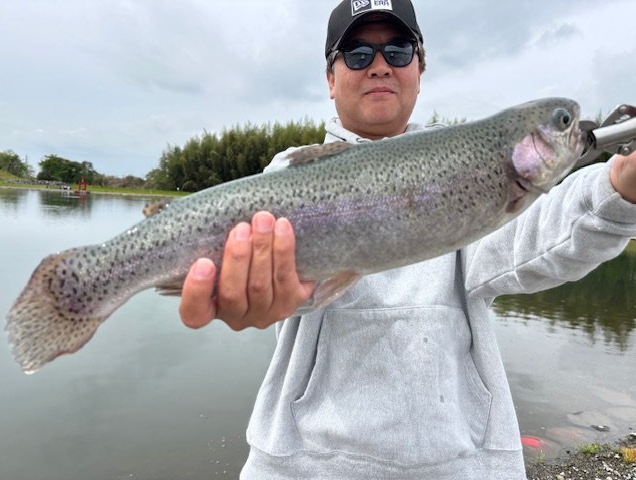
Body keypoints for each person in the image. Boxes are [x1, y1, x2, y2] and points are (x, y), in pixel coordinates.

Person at [179, 1, 636, 478]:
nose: (379, 65)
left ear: (420, 68)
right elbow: (285, 291)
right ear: (331, 78)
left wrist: (618, 186)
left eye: (397, 51)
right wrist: (257, 293)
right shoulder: (286, 176)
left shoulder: (465, 165)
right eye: (358, 54)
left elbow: (539, 234)